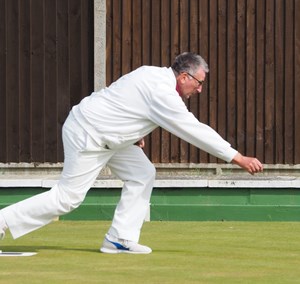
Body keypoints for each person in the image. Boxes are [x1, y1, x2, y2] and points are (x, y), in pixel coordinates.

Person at [0, 52, 263, 254]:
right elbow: (194, 130)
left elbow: (122, 100)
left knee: (143, 173)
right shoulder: (163, 93)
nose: (200, 89)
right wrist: (238, 157)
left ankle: (120, 239)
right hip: (89, 134)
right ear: (184, 77)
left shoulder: (150, 73)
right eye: (199, 83)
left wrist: (132, 133)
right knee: (66, 199)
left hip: (108, 135)